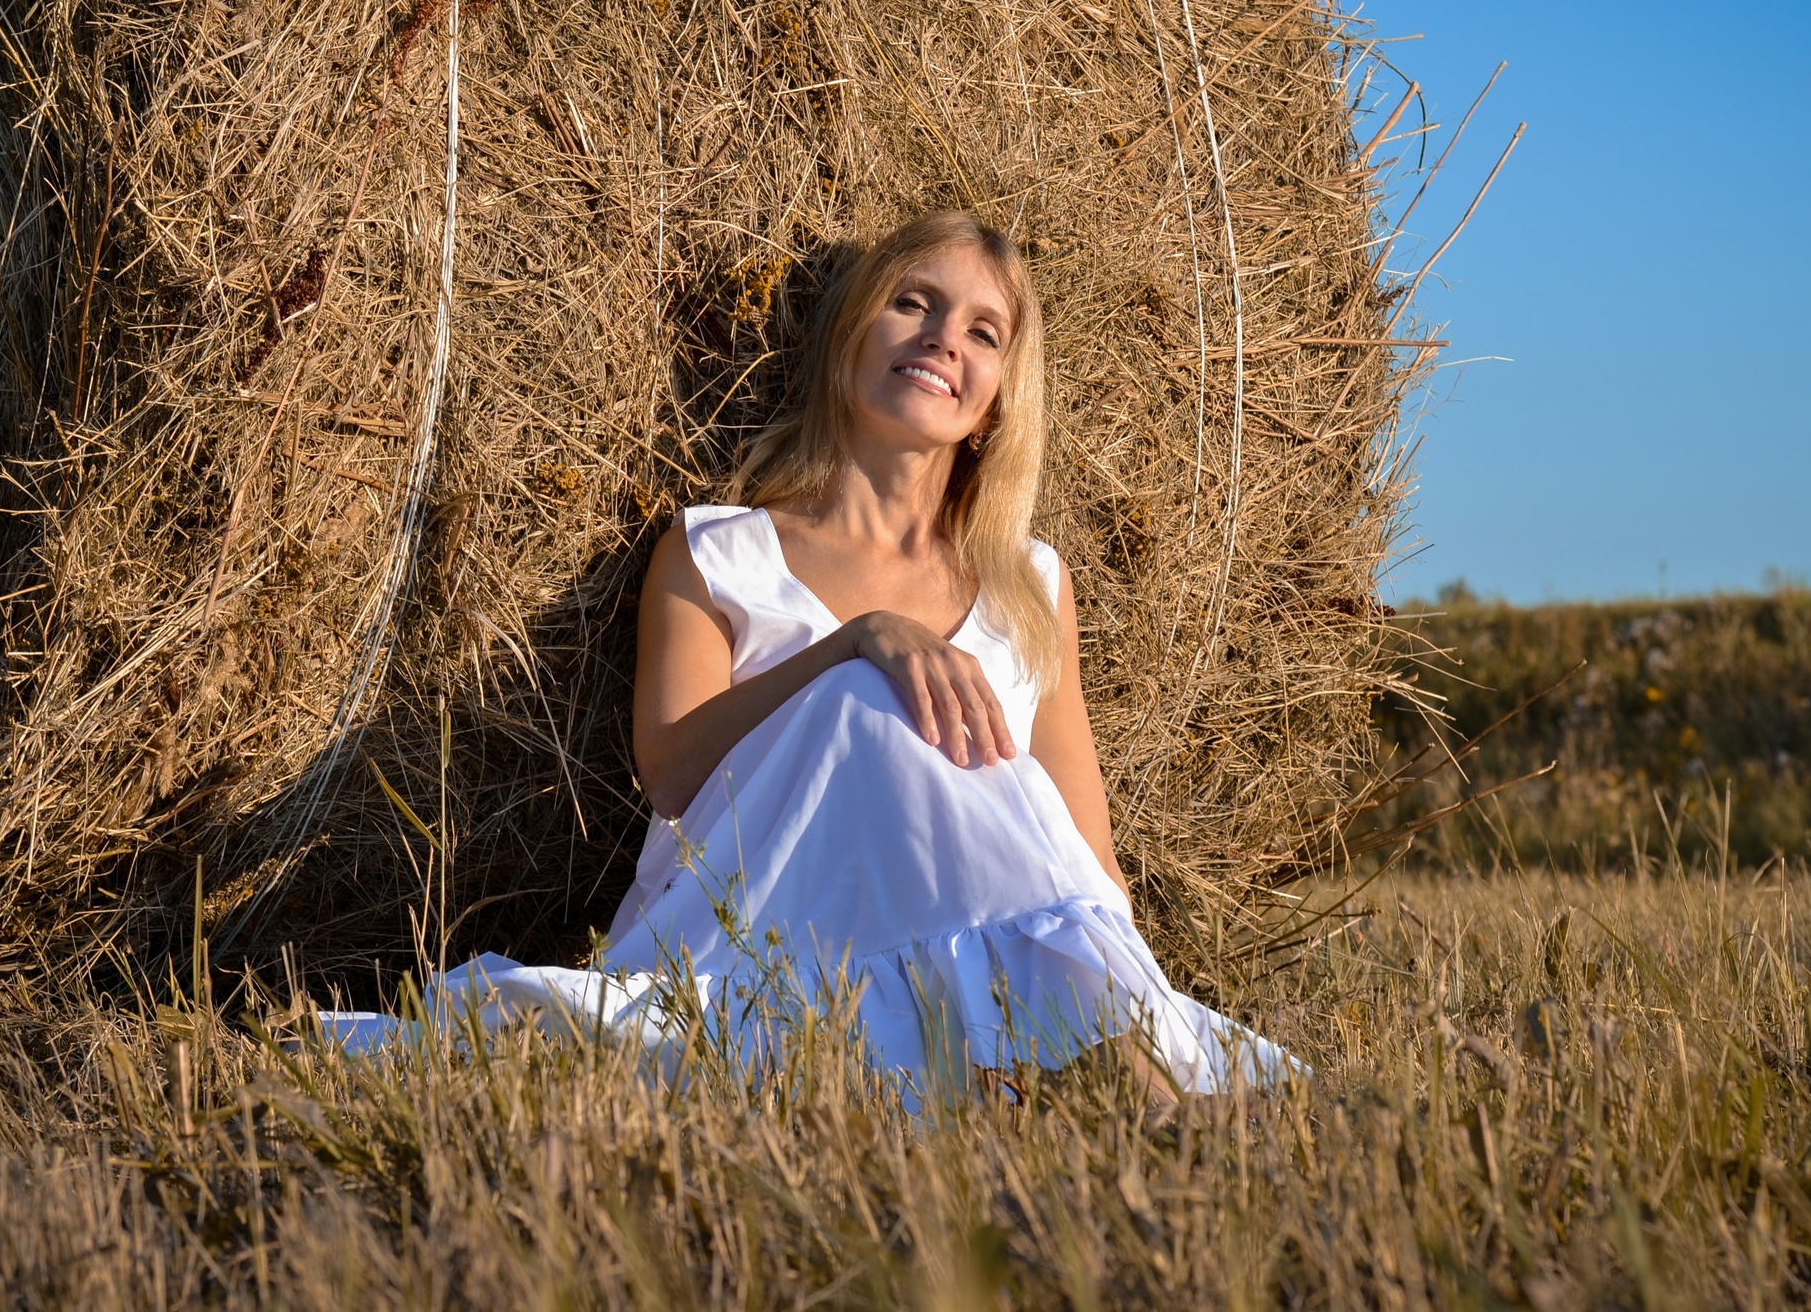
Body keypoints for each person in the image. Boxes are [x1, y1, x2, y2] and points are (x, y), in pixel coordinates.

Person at [322, 212, 1288, 1102]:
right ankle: (1094, 1074)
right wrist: (850, 648)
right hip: (760, 938)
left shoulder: (1030, 587)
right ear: (852, 335)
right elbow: (672, 770)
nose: (945, 337)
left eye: (984, 332)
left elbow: (1084, 855)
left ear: (996, 400)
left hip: (992, 951)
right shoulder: (717, 554)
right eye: (914, 302)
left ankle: (1072, 1050)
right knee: (870, 696)